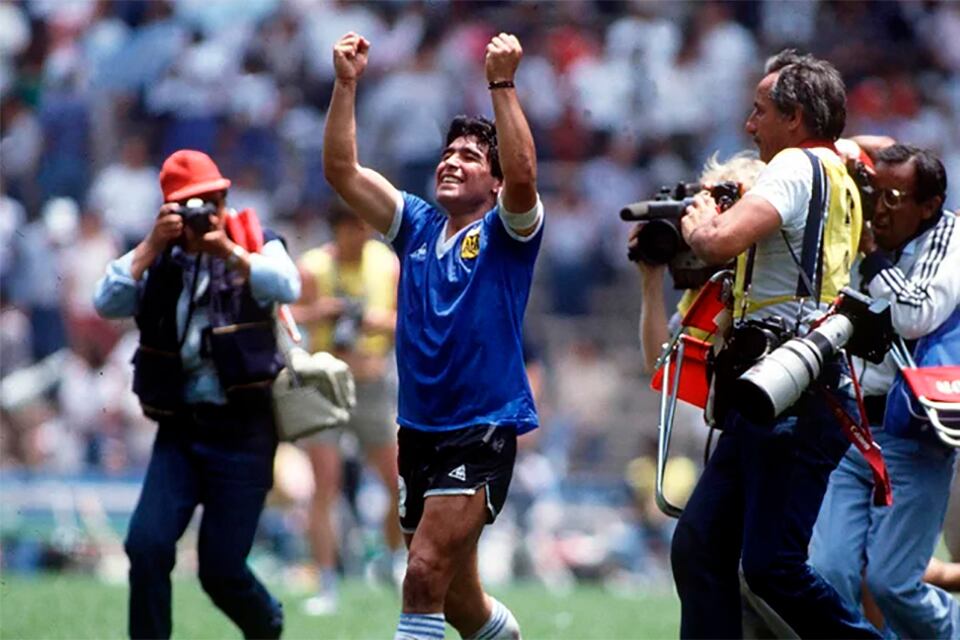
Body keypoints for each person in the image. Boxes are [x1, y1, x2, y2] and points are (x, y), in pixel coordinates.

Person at [323, 31, 542, 640]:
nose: (452, 160)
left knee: (420, 575)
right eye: (449, 152)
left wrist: (502, 84)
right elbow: (341, 170)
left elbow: (524, 174)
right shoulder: (416, 225)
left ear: (494, 183)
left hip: (481, 428)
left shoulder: (507, 233)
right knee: (455, 600)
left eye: (471, 156)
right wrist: (346, 85)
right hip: (418, 431)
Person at [670, 49, 880, 638]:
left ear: (796, 119)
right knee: (701, 546)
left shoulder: (792, 166)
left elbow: (717, 244)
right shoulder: (842, 176)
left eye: (760, 110)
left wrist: (699, 220)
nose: (748, 124)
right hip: (783, 384)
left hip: (786, 390)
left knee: (771, 567)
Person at [93, 149, 300, 639]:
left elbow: (288, 284)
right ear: (167, 210)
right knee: (146, 546)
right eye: (187, 205)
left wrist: (228, 250)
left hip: (245, 431)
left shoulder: (255, 239)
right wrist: (150, 246)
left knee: (221, 570)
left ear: (225, 198)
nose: (201, 213)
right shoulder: (157, 254)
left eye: (209, 201)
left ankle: (266, 623)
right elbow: (106, 301)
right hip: (181, 429)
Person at [809, 144, 960, 638]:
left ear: (930, 204)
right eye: (877, 192)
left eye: (896, 197)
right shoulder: (860, 225)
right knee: (826, 573)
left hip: (913, 434)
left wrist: (872, 256)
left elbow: (914, 315)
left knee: (894, 583)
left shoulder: (950, 235)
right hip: (849, 428)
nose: (880, 207)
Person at [291, 204, 403, 615]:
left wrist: (376, 322)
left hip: (373, 383)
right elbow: (289, 317)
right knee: (326, 487)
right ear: (337, 228)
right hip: (325, 381)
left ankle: (392, 562)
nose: (363, 234)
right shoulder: (313, 267)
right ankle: (326, 582)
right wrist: (319, 313)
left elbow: (407, 320)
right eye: (355, 227)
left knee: (399, 484)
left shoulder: (386, 264)